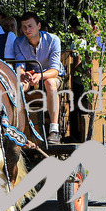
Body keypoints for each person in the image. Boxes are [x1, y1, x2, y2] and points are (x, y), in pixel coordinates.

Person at [14, 11, 65, 144]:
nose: (27, 30)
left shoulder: (53, 40)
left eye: (30, 26)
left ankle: (54, 131)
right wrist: (23, 74)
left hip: (50, 75)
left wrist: (40, 76)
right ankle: (18, 126)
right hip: (32, 75)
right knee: (18, 85)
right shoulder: (18, 42)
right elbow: (20, 66)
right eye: (24, 27)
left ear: (39, 26)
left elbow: (55, 70)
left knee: (49, 83)